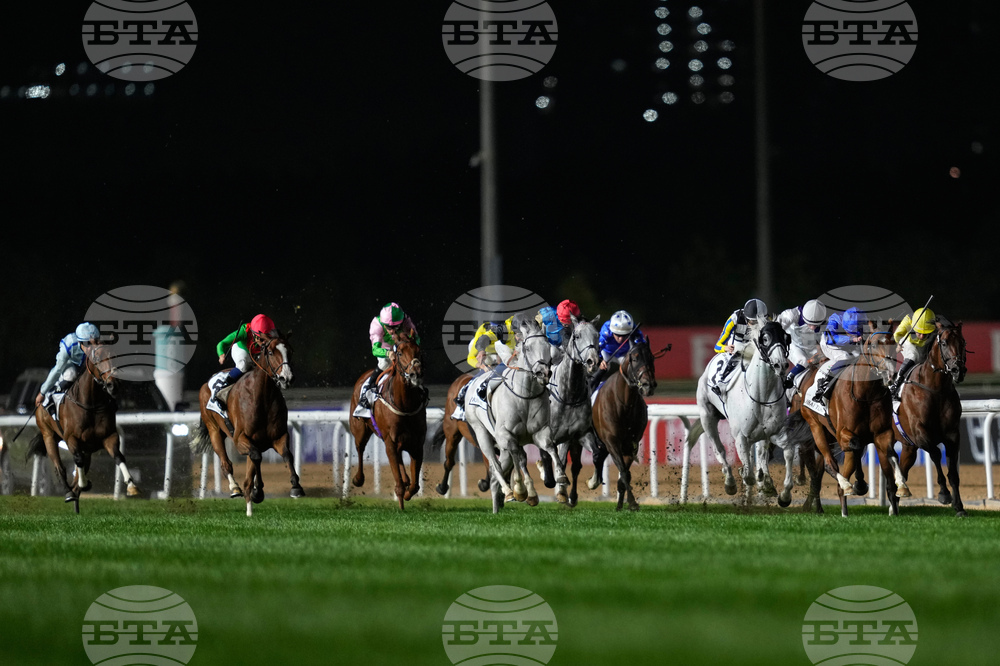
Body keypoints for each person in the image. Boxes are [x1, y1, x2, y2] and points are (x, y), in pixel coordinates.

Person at [353, 302, 420, 418]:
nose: (392, 330)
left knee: (414, 363)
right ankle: (365, 394)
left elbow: (417, 340)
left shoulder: (406, 321)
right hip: (384, 348)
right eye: (388, 327)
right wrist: (388, 353)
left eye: (396, 327)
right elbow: (375, 350)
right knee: (384, 363)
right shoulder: (377, 324)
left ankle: (420, 392)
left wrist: (408, 346)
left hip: (402, 346)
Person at [208, 314, 279, 413]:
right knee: (244, 365)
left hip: (257, 353)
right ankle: (223, 388)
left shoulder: (271, 334)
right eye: (262, 339)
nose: (264, 343)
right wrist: (221, 355)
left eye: (268, 338)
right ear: (254, 334)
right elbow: (221, 343)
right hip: (242, 349)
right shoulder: (244, 332)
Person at [451, 317, 515, 421]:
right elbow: (470, 358)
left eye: (499, 328)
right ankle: (461, 407)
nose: (495, 332)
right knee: (474, 382)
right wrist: (483, 366)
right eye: (493, 328)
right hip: (488, 362)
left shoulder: (508, 329)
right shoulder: (483, 331)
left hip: (505, 360)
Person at [35, 322, 101, 417]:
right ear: (79, 342)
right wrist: (42, 392)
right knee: (71, 374)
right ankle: (50, 398)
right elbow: (57, 370)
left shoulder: (98, 346)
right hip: (72, 364)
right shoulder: (69, 345)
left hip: (85, 365)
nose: (91, 348)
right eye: (87, 343)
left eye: (94, 342)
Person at [710, 298, 767, 397]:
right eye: (753, 321)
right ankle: (721, 384)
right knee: (736, 358)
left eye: (759, 321)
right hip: (737, 347)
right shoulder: (734, 319)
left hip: (756, 347)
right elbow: (717, 346)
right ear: (745, 317)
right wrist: (726, 348)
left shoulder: (767, 321)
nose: (756, 324)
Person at [813, 307, 866, 405]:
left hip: (848, 344)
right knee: (845, 357)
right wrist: (851, 339)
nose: (851, 334)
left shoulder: (861, 318)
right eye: (849, 332)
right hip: (829, 343)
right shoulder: (835, 320)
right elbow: (831, 339)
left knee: (860, 356)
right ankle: (824, 383)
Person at [590, 310, 647, 392]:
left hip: (623, 354)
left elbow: (641, 345)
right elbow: (598, 346)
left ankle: (638, 389)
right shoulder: (606, 328)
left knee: (633, 368)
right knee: (601, 368)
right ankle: (590, 390)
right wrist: (600, 360)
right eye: (617, 335)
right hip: (606, 353)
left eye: (624, 335)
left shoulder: (634, 329)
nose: (620, 339)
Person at [776, 299, 827, 389]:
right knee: (803, 360)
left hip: (810, 349)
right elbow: (776, 327)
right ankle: (787, 382)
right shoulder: (792, 314)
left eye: (816, 325)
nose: (812, 327)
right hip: (792, 344)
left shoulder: (825, 323)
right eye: (809, 324)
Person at [889, 307, 936, 399]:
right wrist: (898, 344)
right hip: (908, 342)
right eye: (919, 333)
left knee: (924, 362)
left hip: (924, 346)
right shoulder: (908, 321)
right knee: (913, 356)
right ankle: (895, 385)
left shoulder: (934, 323)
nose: (922, 336)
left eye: (925, 333)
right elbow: (897, 335)